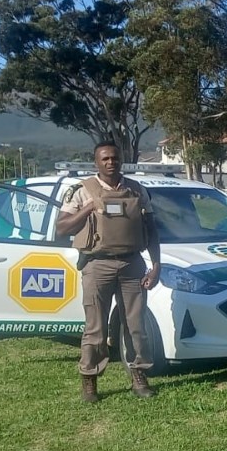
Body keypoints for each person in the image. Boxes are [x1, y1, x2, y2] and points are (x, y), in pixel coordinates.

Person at [57, 142, 162, 403]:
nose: (110, 162)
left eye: (115, 158)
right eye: (105, 159)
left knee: (136, 325)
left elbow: (151, 229)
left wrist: (156, 265)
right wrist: (89, 208)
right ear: (96, 162)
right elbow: (62, 228)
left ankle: (139, 375)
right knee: (95, 327)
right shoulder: (80, 191)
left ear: (121, 160)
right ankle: (90, 380)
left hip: (132, 264)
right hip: (97, 265)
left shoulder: (137, 190)